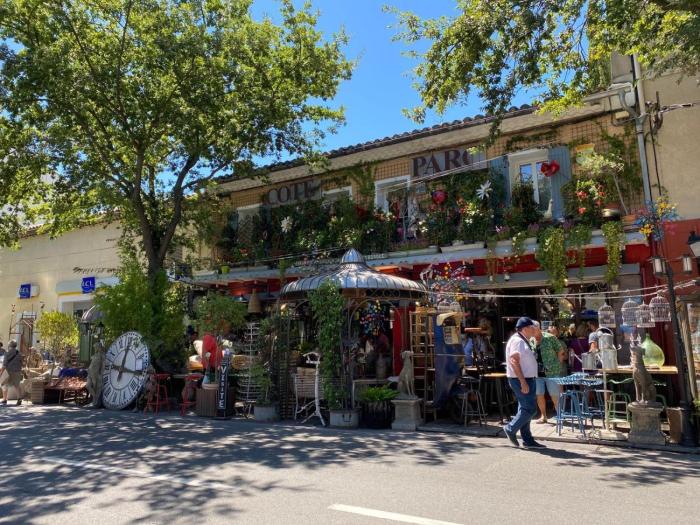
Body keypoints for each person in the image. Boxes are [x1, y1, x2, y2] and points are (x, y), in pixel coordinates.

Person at [503, 317, 545, 448]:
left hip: (526, 379)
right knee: (530, 409)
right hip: (522, 379)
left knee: (524, 408)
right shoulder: (518, 341)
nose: (535, 330)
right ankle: (510, 428)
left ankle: (527, 439)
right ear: (525, 328)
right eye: (533, 327)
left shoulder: (521, 340)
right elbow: (514, 361)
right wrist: (523, 382)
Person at [535, 325, 567, 424]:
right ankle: (543, 416)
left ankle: (560, 415)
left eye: (534, 329)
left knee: (554, 394)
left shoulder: (550, 337)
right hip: (536, 372)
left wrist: (558, 364)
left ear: (538, 328)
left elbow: (561, 351)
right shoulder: (531, 340)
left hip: (551, 371)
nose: (532, 331)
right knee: (539, 394)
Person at [1, 340, 23, 406]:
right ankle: (19, 399)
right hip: (17, 371)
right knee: (17, 385)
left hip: (8, 371)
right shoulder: (19, 353)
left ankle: (5, 399)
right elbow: (21, 362)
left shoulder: (7, 353)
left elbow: (4, 364)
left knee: (4, 384)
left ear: (9, 345)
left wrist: (1, 372)